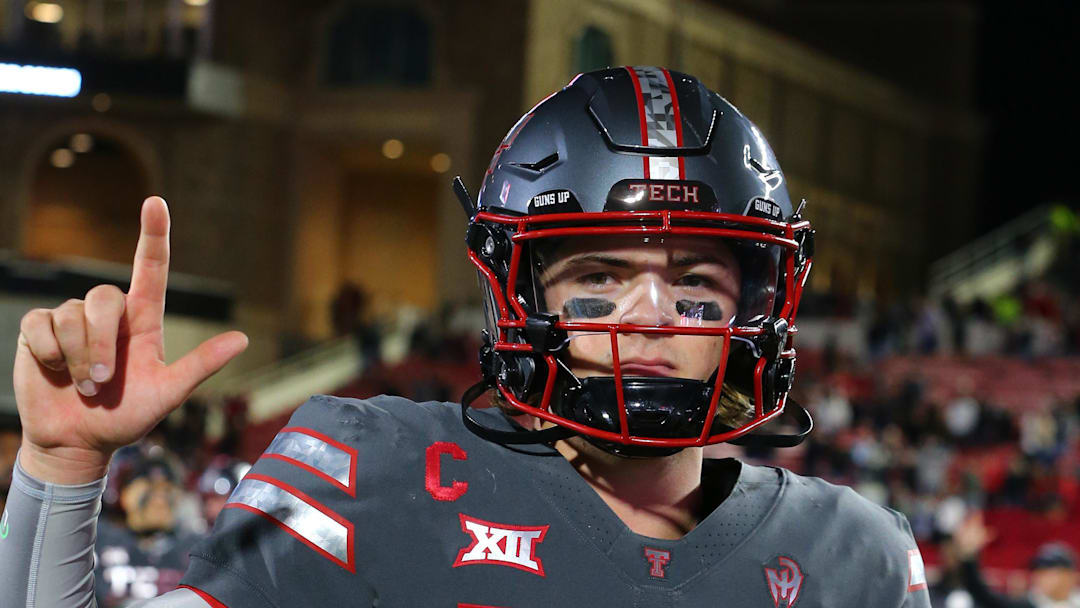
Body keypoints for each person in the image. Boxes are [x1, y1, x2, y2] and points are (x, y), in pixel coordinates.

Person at [0, 67, 930, 607]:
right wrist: (62, 463)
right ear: (516, 289)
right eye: (598, 278)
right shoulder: (371, 470)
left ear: (761, 302)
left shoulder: (862, 558)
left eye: (695, 285)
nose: (648, 318)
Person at [950, 511, 1080, 607]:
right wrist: (969, 556)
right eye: (1038, 571)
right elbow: (985, 596)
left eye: (1048, 571)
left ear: (1069, 575)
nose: (1039, 577)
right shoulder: (1030, 604)